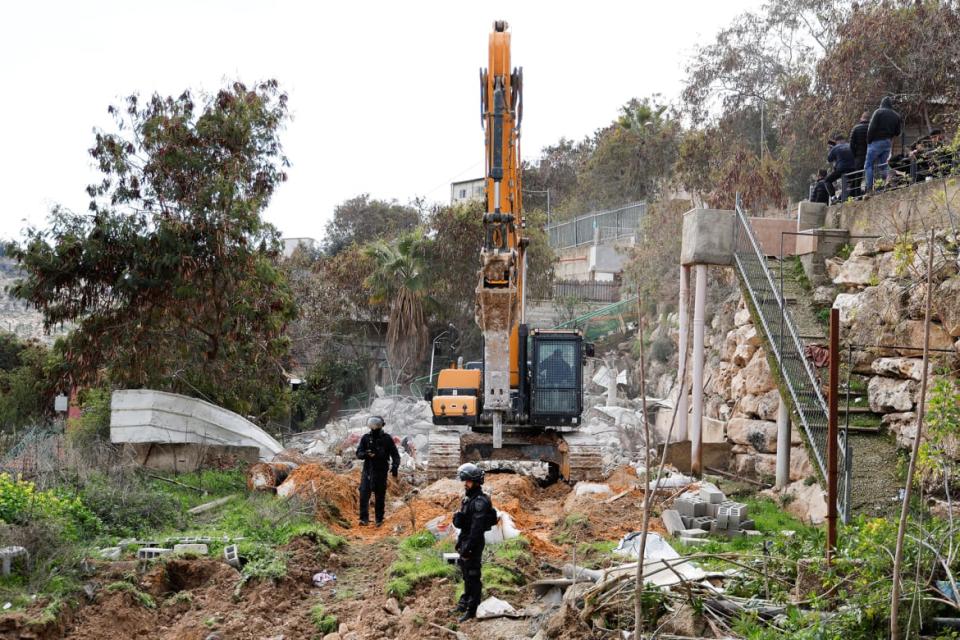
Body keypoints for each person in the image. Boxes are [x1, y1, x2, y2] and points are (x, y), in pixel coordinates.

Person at [452, 462, 495, 622]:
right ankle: (465, 601)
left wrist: (468, 548)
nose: (465, 484)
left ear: (475, 482)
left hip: (474, 542)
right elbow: (465, 524)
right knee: (466, 574)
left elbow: (476, 530)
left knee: (473, 575)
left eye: (468, 481)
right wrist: (460, 544)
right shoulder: (469, 499)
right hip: (466, 539)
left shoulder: (479, 503)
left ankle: (473, 608)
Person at [355, 415, 400, 527]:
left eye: (376, 424)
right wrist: (366, 454)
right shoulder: (365, 438)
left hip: (381, 471)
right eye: (372, 424)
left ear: (381, 425)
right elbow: (358, 453)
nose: (374, 427)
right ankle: (363, 519)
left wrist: (395, 467)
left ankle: (379, 520)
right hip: (367, 471)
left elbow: (395, 455)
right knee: (364, 494)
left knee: (380, 496)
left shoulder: (387, 439)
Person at [864, 97, 902, 194]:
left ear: (882, 104)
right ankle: (891, 179)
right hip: (887, 143)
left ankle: (869, 189)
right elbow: (898, 132)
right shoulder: (896, 116)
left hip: (876, 142)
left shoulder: (878, 112)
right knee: (883, 166)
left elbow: (871, 128)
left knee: (868, 165)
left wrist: (869, 141)